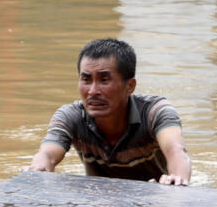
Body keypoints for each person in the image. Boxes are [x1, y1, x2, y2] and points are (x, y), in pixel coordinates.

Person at [28, 38, 191, 185]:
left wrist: (177, 179)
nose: (92, 91)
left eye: (104, 80)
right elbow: (47, 154)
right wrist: (38, 170)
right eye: (86, 79)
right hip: (99, 201)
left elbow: (176, 149)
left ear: (130, 86)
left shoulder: (155, 111)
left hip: (154, 195)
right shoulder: (71, 116)